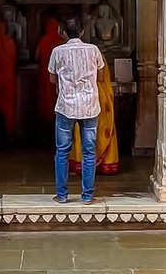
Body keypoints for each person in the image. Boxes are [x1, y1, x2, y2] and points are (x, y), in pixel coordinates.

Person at [48, 17, 105, 204]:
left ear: (64, 33)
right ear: (82, 32)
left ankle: (62, 195)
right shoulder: (93, 50)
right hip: (90, 106)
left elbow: (52, 79)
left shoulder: (57, 51)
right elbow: (100, 75)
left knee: (62, 151)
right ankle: (87, 196)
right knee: (89, 152)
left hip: (66, 106)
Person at [70, 59, 119, 177]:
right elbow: (101, 77)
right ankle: (103, 164)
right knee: (101, 128)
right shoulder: (97, 55)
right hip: (99, 94)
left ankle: (82, 164)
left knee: (81, 129)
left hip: (83, 94)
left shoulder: (76, 55)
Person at [34, 16, 64, 124]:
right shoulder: (61, 41)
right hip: (58, 76)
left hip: (44, 74)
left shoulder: (42, 40)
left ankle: (45, 119)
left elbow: (36, 56)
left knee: (44, 95)